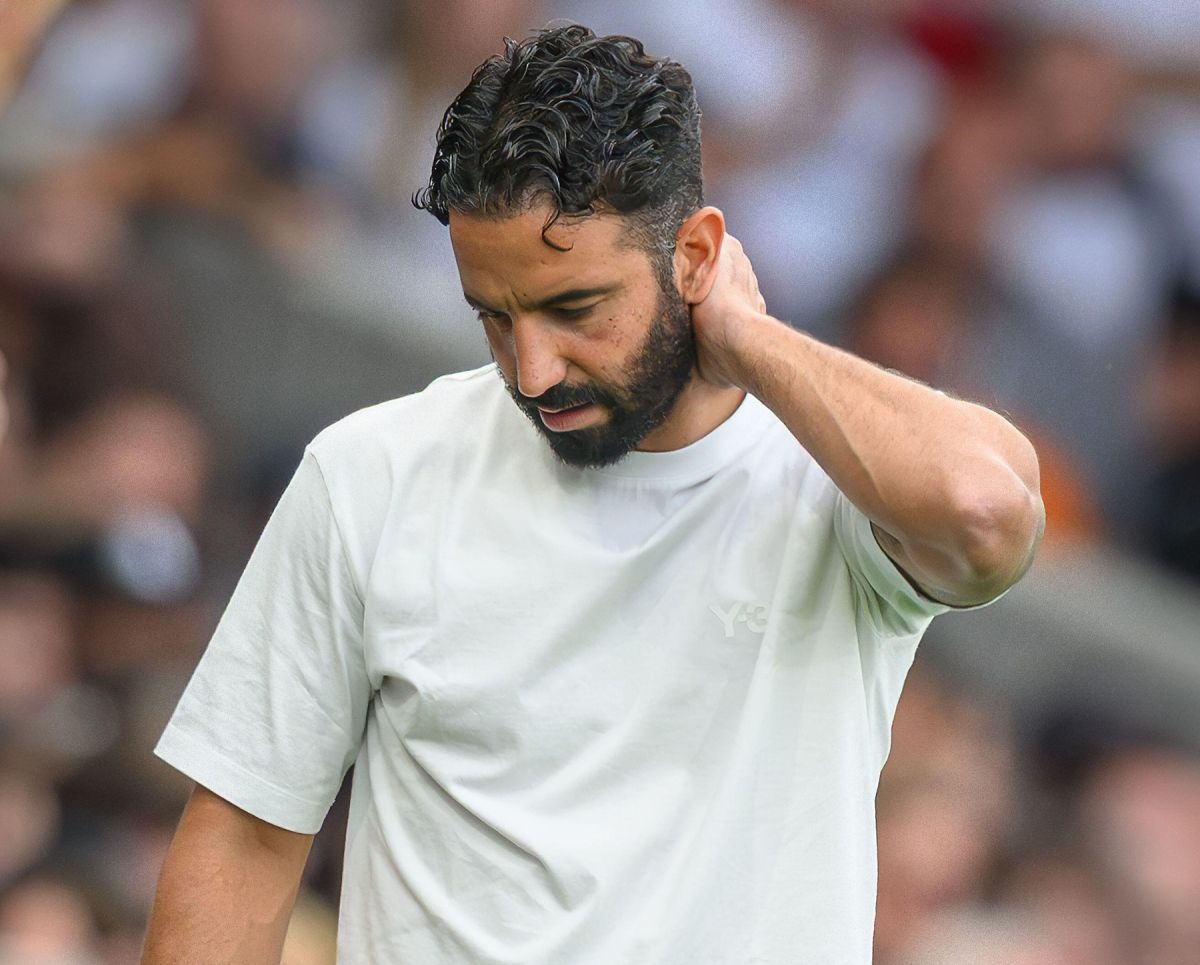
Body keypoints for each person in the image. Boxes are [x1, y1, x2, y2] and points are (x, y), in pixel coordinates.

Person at [141, 24, 1044, 965]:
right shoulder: (371, 473)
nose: (533, 371)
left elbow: (986, 516)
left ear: (697, 255)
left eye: (575, 308)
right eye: (495, 316)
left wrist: (748, 336)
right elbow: (244, 837)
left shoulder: (832, 481)